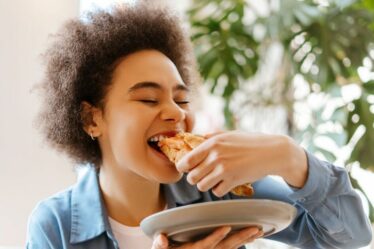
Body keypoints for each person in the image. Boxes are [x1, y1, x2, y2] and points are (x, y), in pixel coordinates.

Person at [26, 2, 372, 249]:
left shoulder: (219, 190)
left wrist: (289, 156)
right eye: (149, 99)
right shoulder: (55, 228)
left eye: (182, 99)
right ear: (92, 118)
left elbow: (348, 236)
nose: (175, 113)